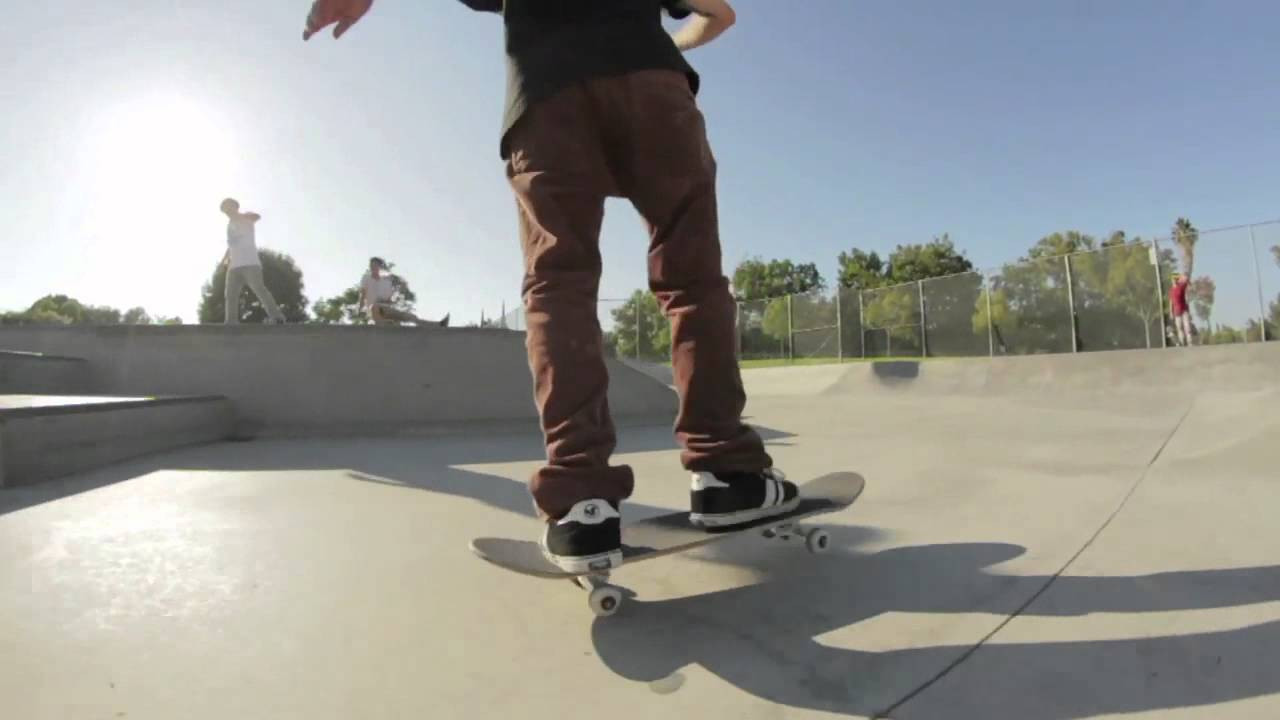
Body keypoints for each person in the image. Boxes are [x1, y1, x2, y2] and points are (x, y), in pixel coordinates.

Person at [302, 0, 798, 574]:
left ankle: (581, 503)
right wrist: (667, 45)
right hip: (651, 87)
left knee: (558, 287)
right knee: (692, 280)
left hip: (547, 97)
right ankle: (727, 474)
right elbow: (720, 14)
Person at [220, 198, 287, 325]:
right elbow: (231, 244)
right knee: (230, 294)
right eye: (224, 210)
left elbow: (257, 216)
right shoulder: (229, 225)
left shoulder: (246, 218)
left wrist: (241, 216)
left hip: (250, 263)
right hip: (234, 266)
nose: (226, 212)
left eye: (228, 208)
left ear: (234, 207)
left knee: (259, 289)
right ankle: (231, 321)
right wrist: (225, 259)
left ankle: (277, 317)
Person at [359, 257, 450, 327]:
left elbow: (389, 300)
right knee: (374, 307)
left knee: (411, 317)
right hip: (373, 310)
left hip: (385, 308)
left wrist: (398, 290)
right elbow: (363, 294)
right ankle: (382, 325)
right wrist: (360, 308)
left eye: (375, 266)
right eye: (371, 265)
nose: (373, 268)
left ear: (379, 267)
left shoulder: (385, 282)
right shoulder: (366, 278)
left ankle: (439, 325)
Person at [1169, 273, 1193, 346]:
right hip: (1176, 311)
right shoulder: (1171, 290)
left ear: (1177, 279)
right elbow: (1171, 301)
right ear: (1171, 280)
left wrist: (1183, 277)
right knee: (1179, 328)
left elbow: (1188, 282)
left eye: (1176, 279)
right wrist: (1171, 312)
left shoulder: (1181, 287)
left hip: (1183, 310)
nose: (1175, 280)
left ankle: (1190, 342)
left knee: (1187, 326)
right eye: (1173, 279)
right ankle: (1182, 342)